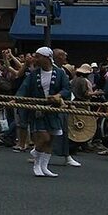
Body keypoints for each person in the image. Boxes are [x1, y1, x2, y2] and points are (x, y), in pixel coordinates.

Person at [15, 46, 69, 177]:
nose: (35, 59)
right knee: (44, 137)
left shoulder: (60, 73)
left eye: (37, 56)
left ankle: (45, 167)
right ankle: (36, 164)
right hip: (39, 110)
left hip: (54, 110)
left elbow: (67, 88)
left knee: (51, 140)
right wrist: (16, 99)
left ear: (46, 58)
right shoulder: (34, 74)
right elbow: (24, 88)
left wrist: (59, 95)